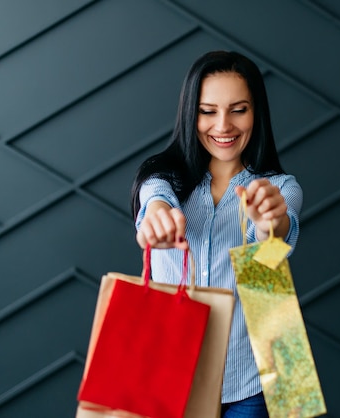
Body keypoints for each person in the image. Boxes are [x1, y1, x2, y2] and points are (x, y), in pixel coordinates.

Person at [130, 50, 303, 417]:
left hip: (255, 378)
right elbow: (154, 199)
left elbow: (272, 251)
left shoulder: (280, 188)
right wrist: (157, 216)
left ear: (257, 113)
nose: (223, 125)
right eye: (208, 111)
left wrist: (269, 223)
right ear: (190, 114)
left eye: (238, 109)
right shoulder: (164, 179)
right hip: (172, 378)